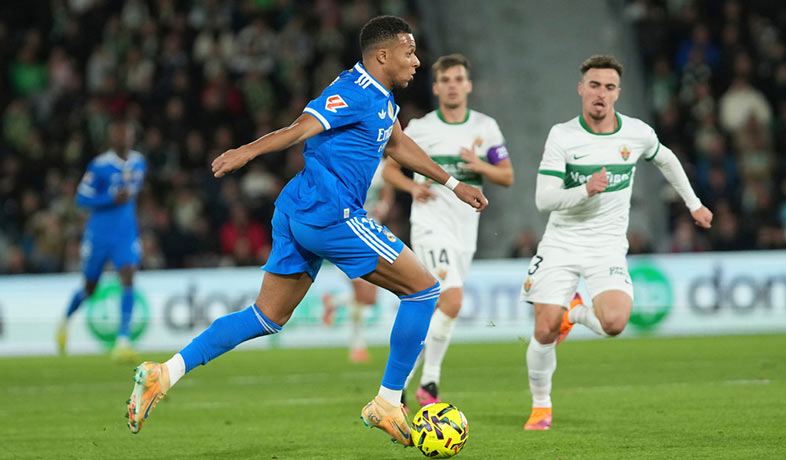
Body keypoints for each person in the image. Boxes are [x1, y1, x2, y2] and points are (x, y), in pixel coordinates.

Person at [125, 16, 488, 447]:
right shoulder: (351, 91)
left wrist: (452, 184)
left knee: (266, 317)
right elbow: (300, 129)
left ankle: (163, 373)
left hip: (299, 208)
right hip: (331, 213)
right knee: (425, 291)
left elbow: (396, 145)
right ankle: (389, 401)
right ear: (383, 55)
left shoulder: (382, 99)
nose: (416, 61)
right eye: (409, 53)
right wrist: (246, 152)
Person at [521, 55, 713, 431]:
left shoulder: (637, 133)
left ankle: (574, 312)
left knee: (614, 322)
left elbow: (668, 160)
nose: (601, 94)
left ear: (618, 93)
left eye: (609, 87)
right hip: (561, 242)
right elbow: (544, 199)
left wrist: (694, 204)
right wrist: (584, 189)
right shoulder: (563, 136)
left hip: (606, 246)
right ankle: (541, 406)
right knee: (544, 330)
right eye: (594, 85)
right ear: (581, 88)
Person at [382, 53, 514, 407]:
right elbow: (389, 169)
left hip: (464, 233)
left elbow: (507, 176)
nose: (453, 85)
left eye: (459, 79)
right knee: (452, 299)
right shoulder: (421, 127)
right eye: (446, 80)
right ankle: (428, 384)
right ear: (436, 87)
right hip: (430, 225)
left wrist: (479, 165)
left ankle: (404, 384)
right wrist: (412, 189)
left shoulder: (484, 128)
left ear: (468, 85)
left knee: (444, 308)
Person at [56, 118, 147, 362]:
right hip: (98, 235)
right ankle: (64, 321)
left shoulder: (139, 162)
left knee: (128, 277)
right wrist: (110, 198)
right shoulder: (99, 166)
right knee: (90, 287)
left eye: (125, 132)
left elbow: (135, 196)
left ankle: (123, 341)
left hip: (126, 234)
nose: (123, 137)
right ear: (111, 138)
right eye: (118, 133)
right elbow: (81, 199)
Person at [321, 159, 395, 363]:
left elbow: (387, 189)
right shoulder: (347, 164)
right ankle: (357, 346)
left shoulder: (380, 166)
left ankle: (334, 302)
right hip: (350, 235)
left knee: (370, 298)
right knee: (362, 293)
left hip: (374, 234)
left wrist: (384, 206)